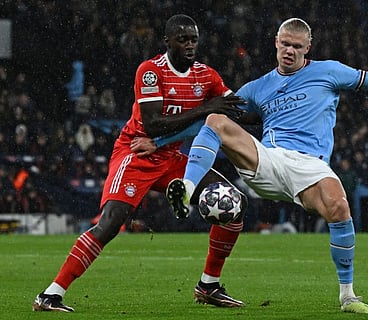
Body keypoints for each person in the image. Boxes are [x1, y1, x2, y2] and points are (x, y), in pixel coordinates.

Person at [153, 18, 368, 313]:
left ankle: (347, 295)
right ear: (276, 43)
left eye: (296, 46)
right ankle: (188, 191)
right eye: (285, 44)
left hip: (310, 167)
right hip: (270, 159)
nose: (289, 51)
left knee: (339, 208)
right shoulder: (256, 88)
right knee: (215, 118)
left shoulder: (328, 72)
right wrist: (158, 141)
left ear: (308, 48)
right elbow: (205, 124)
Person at [33, 14, 248, 312]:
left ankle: (208, 285)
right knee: (110, 223)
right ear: (167, 41)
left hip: (172, 157)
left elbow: (237, 108)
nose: (189, 45)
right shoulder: (150, 71)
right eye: (182, 39)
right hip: (137, 154)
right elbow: (154, 123)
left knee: (234, 203)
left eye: (193, 39)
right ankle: (50, 295)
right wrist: (208, 108)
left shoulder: (207, 76)